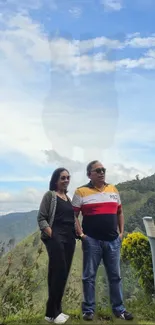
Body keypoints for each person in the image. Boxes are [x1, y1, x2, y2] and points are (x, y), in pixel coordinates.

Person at [72, 160, 133, 321]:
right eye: (97, 170)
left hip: (113, 241)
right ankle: (89, 310)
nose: (101, 172)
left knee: (115, 277)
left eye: (103, 170)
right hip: (92, 240)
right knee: (89, 276)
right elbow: (73, 215)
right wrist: (82, 235)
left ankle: (119, 309)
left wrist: (121, 233)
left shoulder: (113, 189)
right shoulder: (81, 192)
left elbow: (120, 212)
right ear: (89, 174)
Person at [37, 168, 76, 324]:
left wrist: (80, 233)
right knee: (58, 273)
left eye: (68, 177)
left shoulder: (67, 197)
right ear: (55, 180)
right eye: (63, 178)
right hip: (56, 237)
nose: (66, 180)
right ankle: (54, 312)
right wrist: (52, 234)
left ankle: (52, 312)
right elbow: (41, 218)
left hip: (70, 238)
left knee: (62, 273)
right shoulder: (50, 196)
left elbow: (73, 219)